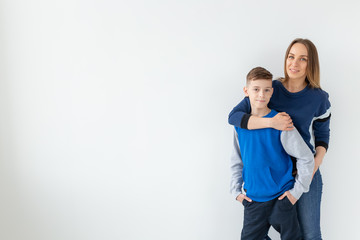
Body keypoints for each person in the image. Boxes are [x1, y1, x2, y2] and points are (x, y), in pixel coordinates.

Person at [229, 38, 331, 240]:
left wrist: (314, 165)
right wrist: (272, 123)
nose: (294, 63)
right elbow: (234, 117)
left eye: (303, 59)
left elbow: (323, 135)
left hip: (305, 170)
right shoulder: (269, 89)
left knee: (310, 234)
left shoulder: (319, 97)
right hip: (274, 175)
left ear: (311, 64)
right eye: (291, 57)